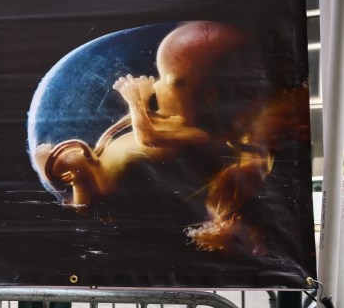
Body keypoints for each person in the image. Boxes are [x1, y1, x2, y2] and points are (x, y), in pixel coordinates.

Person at [33, 20, 309, 254]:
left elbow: (148, 137)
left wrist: (135, 100)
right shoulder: (170, 119)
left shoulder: (196, 135)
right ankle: (68, 178)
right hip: (103, 166)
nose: (158, 82)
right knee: (76, 161)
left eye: (168, 79)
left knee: (79, 174)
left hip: (110, 189)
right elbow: (129, 127)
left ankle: (76, 189)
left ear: (207, 97)